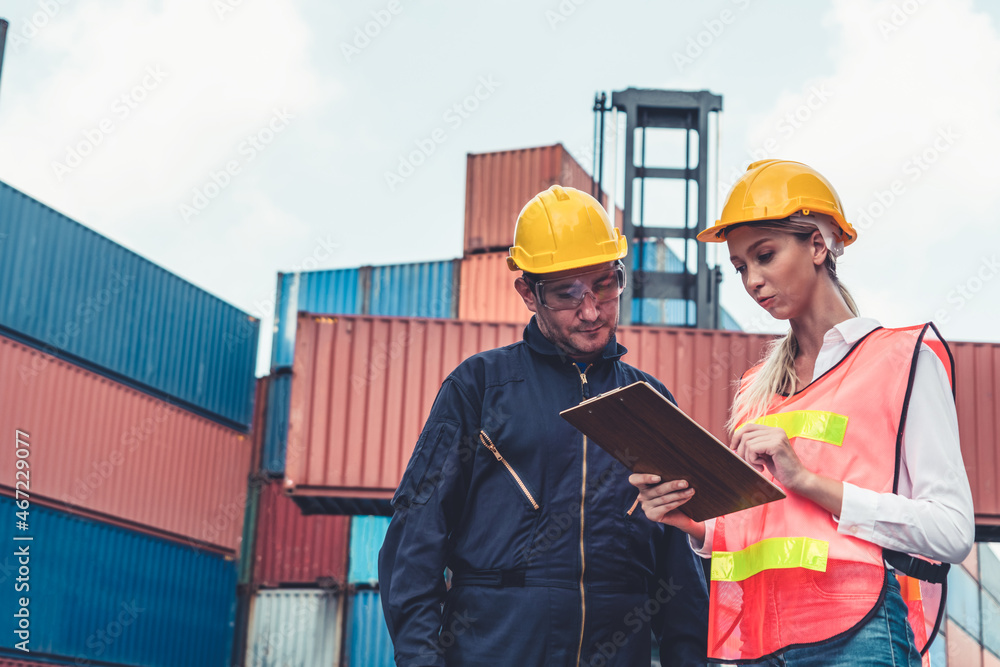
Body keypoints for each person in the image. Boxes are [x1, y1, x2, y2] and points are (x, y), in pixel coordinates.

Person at [630, 159, 975, 666]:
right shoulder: (756, 390)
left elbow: (951, 531)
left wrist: (809, 480)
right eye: (741, 266)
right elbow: (763, 528)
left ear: (817, 245)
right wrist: (696, 524)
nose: (752, 280)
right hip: (760, 643)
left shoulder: (903, 359)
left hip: (858, 637)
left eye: (765, 255)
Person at [379, 185, 710, 667]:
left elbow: (680, 573)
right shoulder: (479, 387)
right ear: (527, 293)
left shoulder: (650, 402)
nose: (592, 310)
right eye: (566, 294)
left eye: (604, 284)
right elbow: (415, 540)